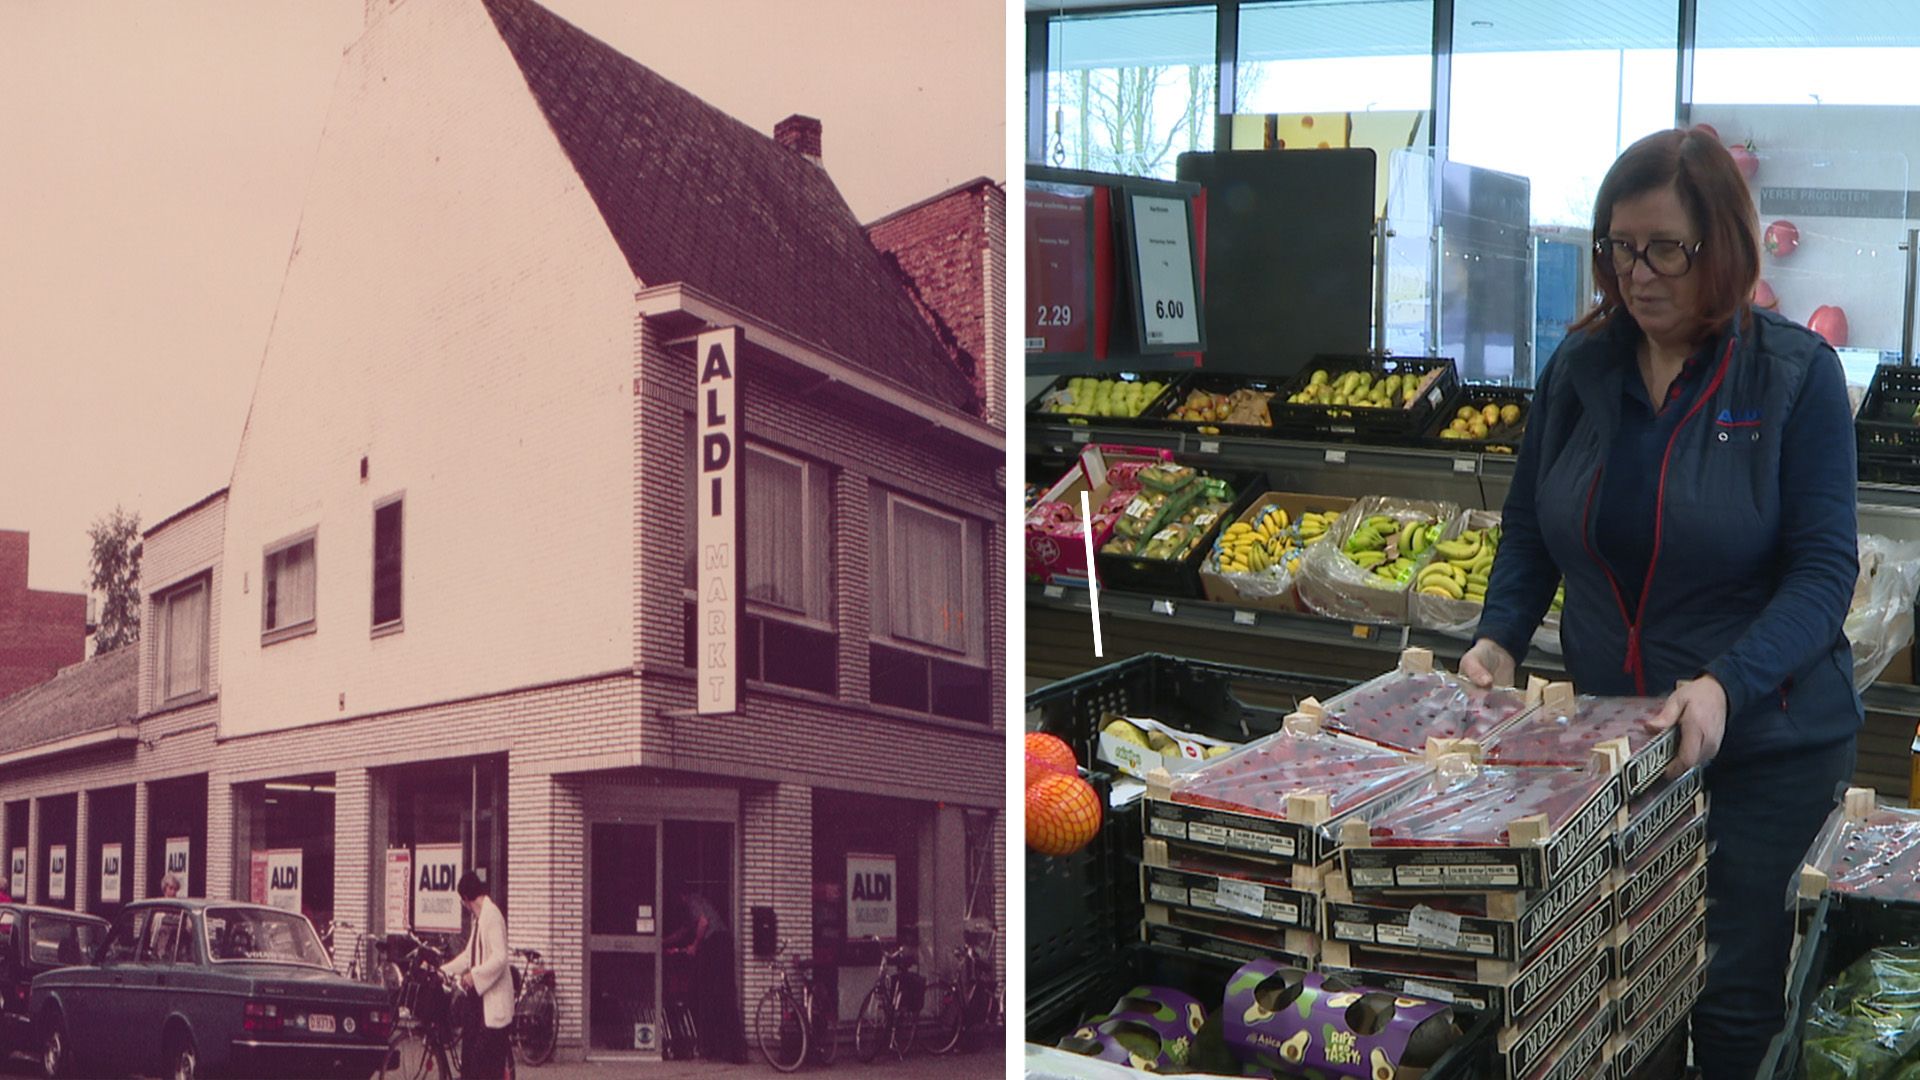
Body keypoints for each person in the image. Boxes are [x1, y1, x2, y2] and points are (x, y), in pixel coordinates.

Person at [1464, 126, 1860, 1080]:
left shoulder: (1795, 379)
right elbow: (1529, 530)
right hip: (1618, 749)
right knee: (1621, 993)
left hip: (1768, 741)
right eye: (1617, 247)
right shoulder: (1581, 369)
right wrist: (1499, 640)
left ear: (1720, 245)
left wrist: (1726, 684)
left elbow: (1822, 575)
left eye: (1664, 250)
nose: (1636, 274)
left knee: (1731, 1001)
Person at [440, 872, 511, 1079]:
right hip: (480, 1004)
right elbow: (469, 956)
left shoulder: (492, 916)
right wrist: (444, 970)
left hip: (493, 1006)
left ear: (465, 899)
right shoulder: (479, 919)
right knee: (469, 1063)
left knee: (482, 1067)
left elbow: (500, 957)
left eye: (462, 901)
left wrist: (474, 976)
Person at [666, 887, 746, 1062]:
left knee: (721, 995)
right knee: (714, 995)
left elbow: (703, 923)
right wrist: (663, 941)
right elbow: (684, 930)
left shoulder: (693, 901)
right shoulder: (694, 907)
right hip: (719, 944)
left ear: (681, 895)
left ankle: (733, 1051)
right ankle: (723, 1049)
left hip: (717, 945)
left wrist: (694, 945)